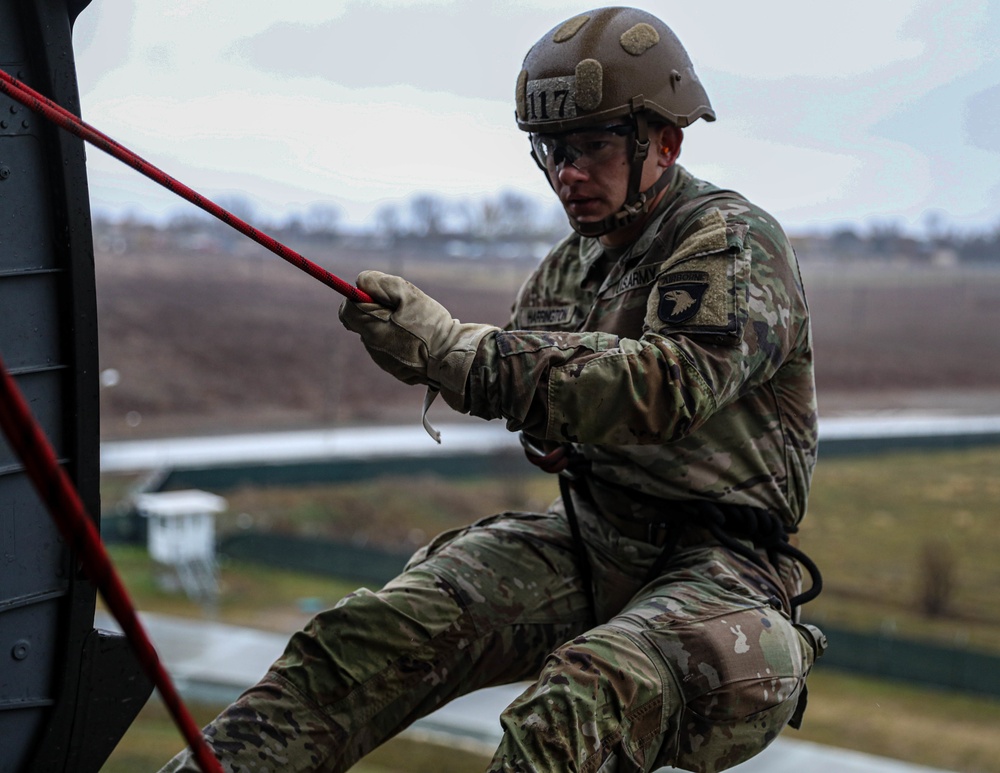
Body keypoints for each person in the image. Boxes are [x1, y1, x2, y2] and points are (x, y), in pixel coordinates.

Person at [158, 7, 825, 772]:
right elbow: (545, 408)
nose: (567, 172)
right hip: (591, 537)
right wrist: (462, 368)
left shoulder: (730, 241)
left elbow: (666, 385)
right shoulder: (563, 275)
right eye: (553, 150)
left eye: (595, 145)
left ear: (665, 142)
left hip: (721, 565)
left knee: (576, 709)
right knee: (360, 644)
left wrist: (459, 355)